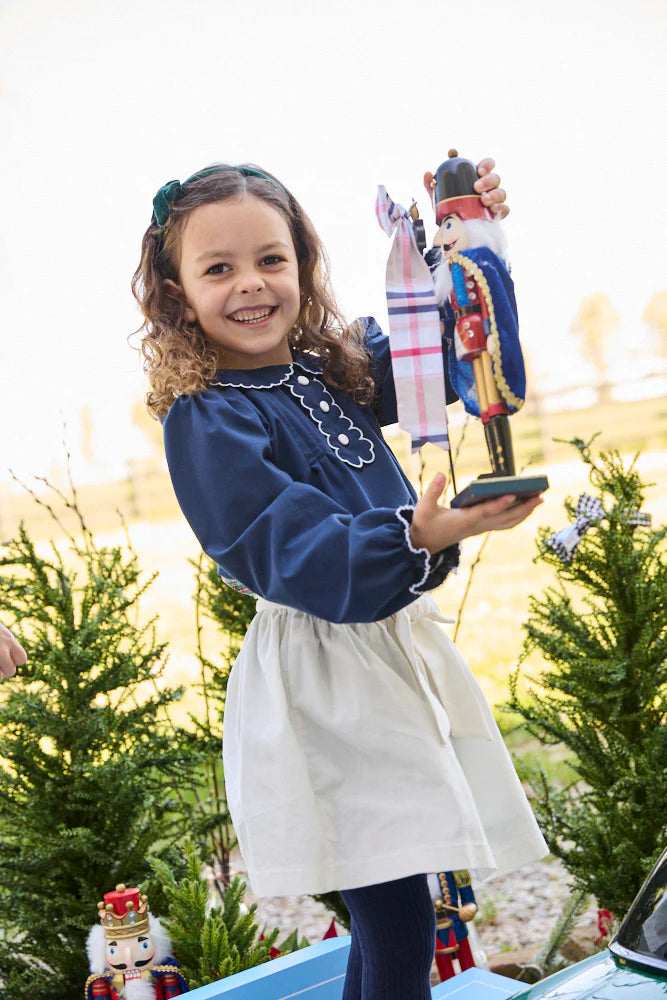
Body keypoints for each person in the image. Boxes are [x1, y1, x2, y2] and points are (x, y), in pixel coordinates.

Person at [132, 160, 548, 1000]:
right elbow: (277, 543)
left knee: (394, 912)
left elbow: (449, 353)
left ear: (302, 266)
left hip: (382, 658)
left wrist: (468, 243)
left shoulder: (333, 369)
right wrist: (411, 535)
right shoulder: (209, 414)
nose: (251, 285)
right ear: (177, 294)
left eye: (271, 260)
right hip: (320, 680)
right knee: (394, 917)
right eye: (218, 269)